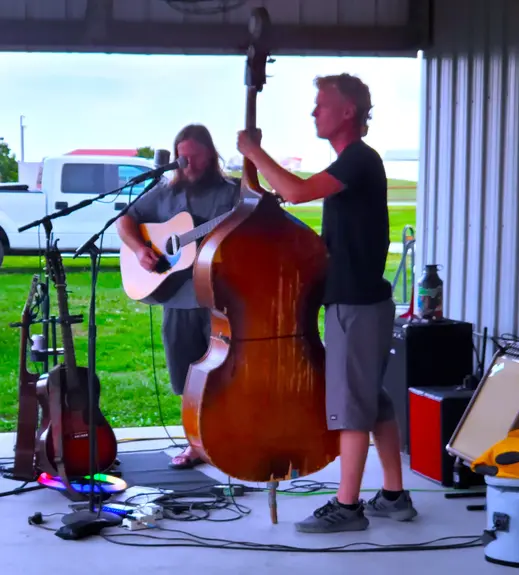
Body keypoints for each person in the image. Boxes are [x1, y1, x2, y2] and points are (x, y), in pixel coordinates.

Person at [236, 73, 418, 532]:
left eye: (321, 104)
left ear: (347, 112)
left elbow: (296, 192)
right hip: (362, 301)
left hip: (356, 305)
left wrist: (254, 151)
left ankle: (349, 506)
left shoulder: (358, 160)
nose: (313, 112)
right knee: (373, 402)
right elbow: (293, 200)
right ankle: (394, 496)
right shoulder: (348, 167)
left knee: (353, 406)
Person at [117, 124, 240, 469]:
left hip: (220, 298)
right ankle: (195, 444)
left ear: (211, 155)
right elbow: (126, 220)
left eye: (195, 157)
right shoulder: (165, 192)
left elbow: (250, 226)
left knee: (225, 373)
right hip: (177, 298)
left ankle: (230, 441)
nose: (188, 164)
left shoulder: (232, 193)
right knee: (186, 377)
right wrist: (141, 249)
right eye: (182, 157)